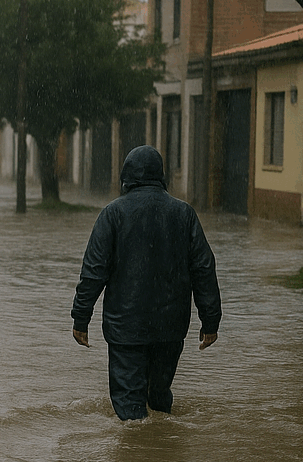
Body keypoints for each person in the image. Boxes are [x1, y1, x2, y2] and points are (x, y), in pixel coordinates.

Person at [71, 145, 222, 420]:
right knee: (159, 397)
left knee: (130, 408)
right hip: (170, 327)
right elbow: (204, 269)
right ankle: (161, 457)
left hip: (125, 328)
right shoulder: (184, 214)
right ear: (161, 176)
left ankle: (136, 458)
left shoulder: (112, 214)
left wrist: (81, 318)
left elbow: (93, 271)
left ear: (125, 177)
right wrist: (210, 321)